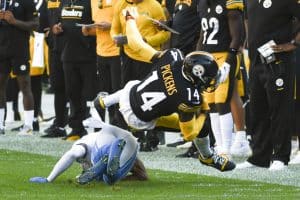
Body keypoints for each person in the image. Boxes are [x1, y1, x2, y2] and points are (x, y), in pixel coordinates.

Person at [93, 7, 236, 172]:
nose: (209, 82)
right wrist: (203, 112)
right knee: (201, 126)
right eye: (208, 78)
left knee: (136, 83)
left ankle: (104, 101)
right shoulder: (189, 96)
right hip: (139, 119)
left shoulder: (172, 56)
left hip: (128, 97)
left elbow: (137, 44)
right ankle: (208, 157)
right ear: (197, 75)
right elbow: (188, 133)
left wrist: (130, 20)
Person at [237, 0, 300, 171]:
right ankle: (259, 157)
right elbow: (247, 18)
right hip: (257, 59)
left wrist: (293, 44)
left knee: (280, 108)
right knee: (258, 107)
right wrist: (249, 43)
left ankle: (280, 156)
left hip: (279, 60)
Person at [110, 0, 170, 152]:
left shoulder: (154, 6)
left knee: (151, 98)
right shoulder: (121, 5)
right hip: (128, 56)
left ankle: (152, 137)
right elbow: (114, 29)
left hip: (149, 57)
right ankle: (131, 136)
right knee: (126, 96)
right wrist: (117, 38)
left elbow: (166, 32)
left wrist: (146, 41)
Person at [196, 0, 250, 157]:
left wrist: (228, 61)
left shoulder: (229, 3)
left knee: (222, 101)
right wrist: (197, 55)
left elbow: (238, 36)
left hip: (225, 55)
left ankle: (227, 145)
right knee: (211, 103)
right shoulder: (203, 5)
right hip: (208, 58)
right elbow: (202, 35)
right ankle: (220, 145)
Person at [29, 119, 148, 185]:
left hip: (107, 142)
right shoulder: (121, 160)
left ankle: (109, 154)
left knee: (105, 170)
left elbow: (72, 154)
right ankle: (110, 159)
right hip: (129, 142)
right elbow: (142, 175)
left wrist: (49, 179)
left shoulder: (82, 147)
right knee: (110, 178)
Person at [52, 0, 97, 141]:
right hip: (68, 54)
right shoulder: (64, 2)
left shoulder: (91, 2)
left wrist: (90, 32)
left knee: (91, 94)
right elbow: (57, 24)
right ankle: (77, 129)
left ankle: (98, 129)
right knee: (72, 92)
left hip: (89, 54)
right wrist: (56, 29)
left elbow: (99, 23)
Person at [0, 0, 38, 135]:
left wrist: (14, 21)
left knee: (25, 85)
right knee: (1, 86)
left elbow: (35, 24)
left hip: (19, 49)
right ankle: (0, 124)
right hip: (2, 49)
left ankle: (28, 126)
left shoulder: (26, 1)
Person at [42, 0, 69, 138]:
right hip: (55, 49)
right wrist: (47, 31)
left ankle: (78, 124)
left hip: (72, 48)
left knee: (74, 88)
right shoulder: (48, 2)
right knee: (58, 87)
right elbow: (42, 20)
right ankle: (60, 124)